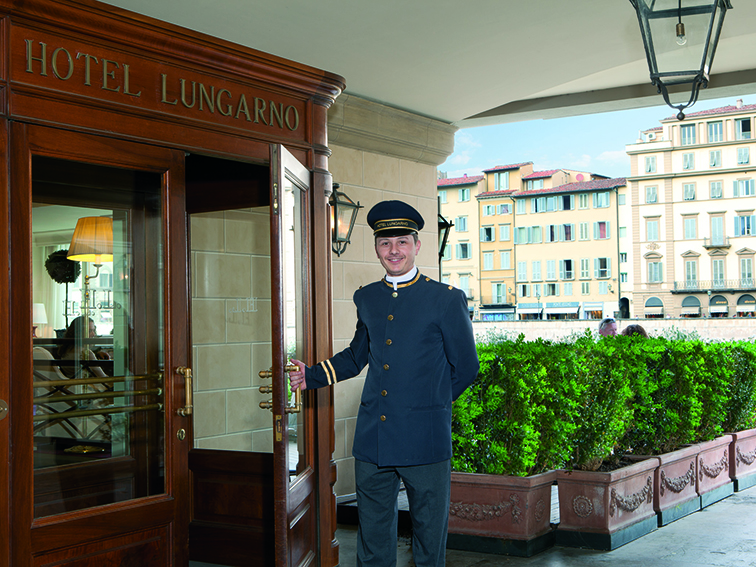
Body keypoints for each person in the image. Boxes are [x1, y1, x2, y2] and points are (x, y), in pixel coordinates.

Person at [290, 200, 479, 567]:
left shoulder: (445, 299)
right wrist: (309, 375)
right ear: (376, 248)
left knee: (428, 541)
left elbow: (466, 368)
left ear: (417, 245)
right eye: (385, 243)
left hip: (425, 440)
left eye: (402, 242)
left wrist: (431, 408)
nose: (394, 251)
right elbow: (356, 356)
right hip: (373, 439)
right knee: (373, 540)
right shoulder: (367, 298)